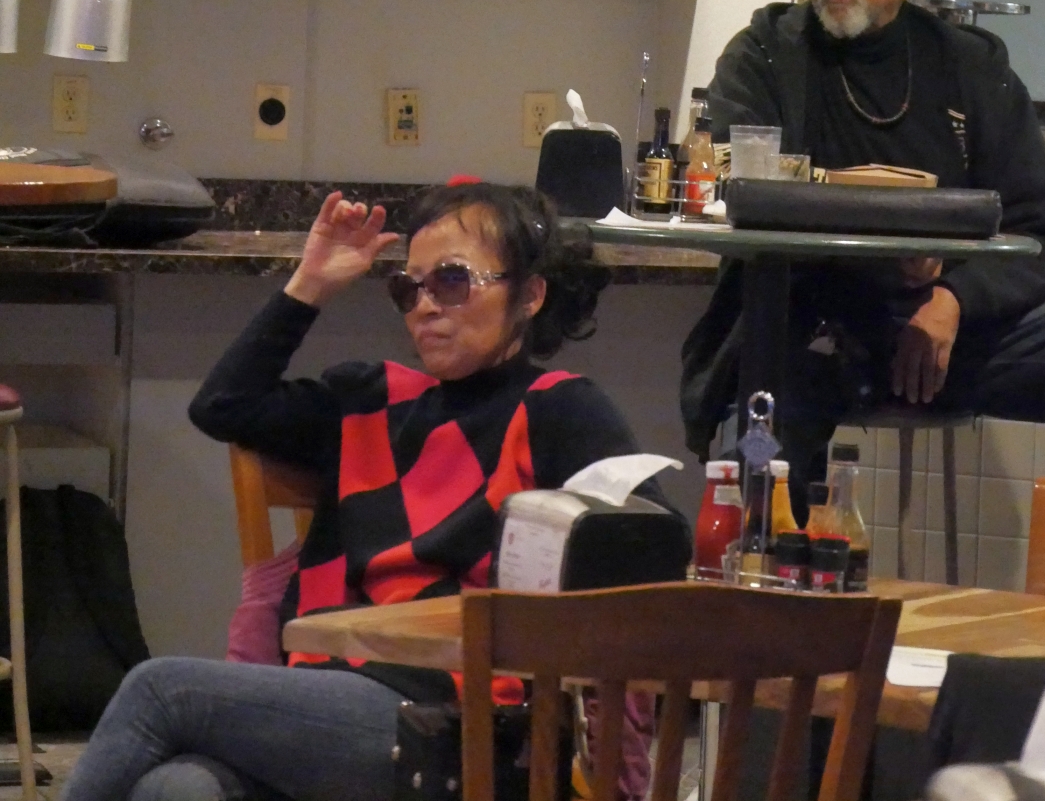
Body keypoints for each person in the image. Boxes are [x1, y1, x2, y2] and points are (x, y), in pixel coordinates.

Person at [64, 182, 678, 801]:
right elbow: (222, 405)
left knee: (161, 690)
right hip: (336, 683)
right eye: (409, 288)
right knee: (178, 787)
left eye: (453, 280)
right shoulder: (371, 400)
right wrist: (310, 284)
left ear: (530, 295)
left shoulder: (560, 409)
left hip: (466, 711)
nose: (425, 306)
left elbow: (651, 549)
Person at [681, 0, 1045, 519]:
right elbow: (744, 189)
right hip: (814, 329)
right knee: (766, 404)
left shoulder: (968, 66)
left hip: (946, 338)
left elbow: (1043, 235)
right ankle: (770, 566)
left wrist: (954, 299)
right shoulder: (768, 52)